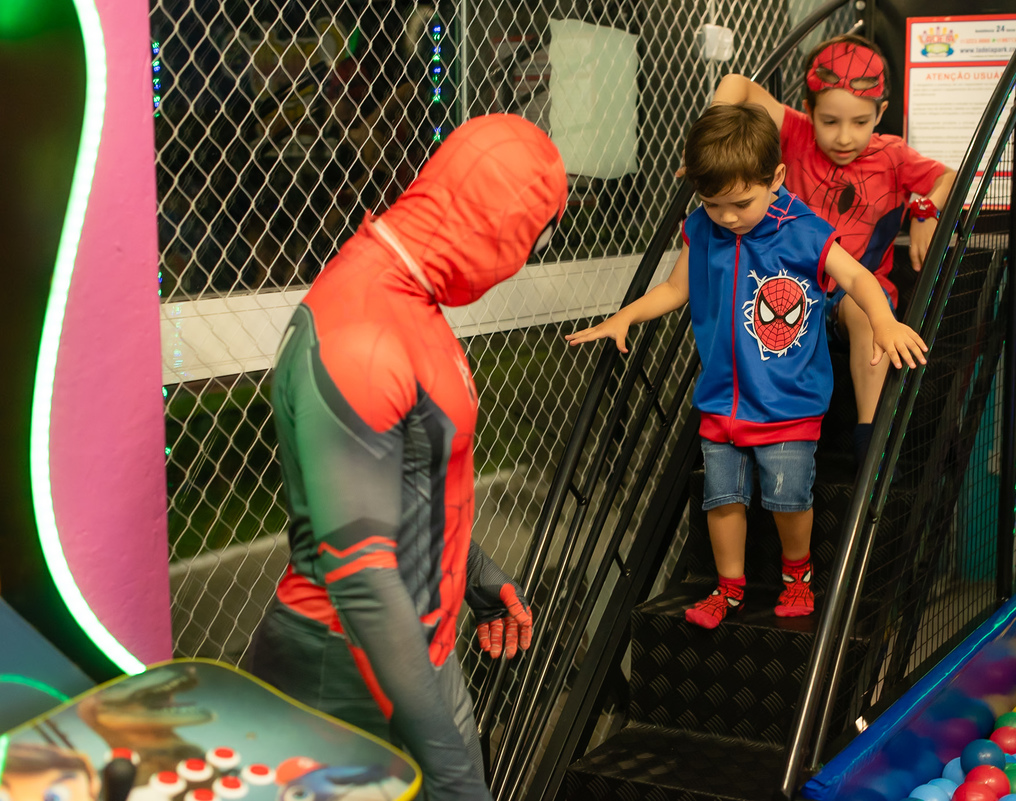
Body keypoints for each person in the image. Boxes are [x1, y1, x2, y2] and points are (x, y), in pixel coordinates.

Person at [246, 114, 568, 801]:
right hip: (346, 681)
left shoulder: (410, 297)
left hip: (419, 654)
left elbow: (416, 474)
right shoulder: (363, 332)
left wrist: (473, 571)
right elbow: (360, 574)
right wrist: (447, 768)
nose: (522, 263)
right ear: (499, 227)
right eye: (528, 240)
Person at [566, 103, 926, 626]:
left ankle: (797, 575)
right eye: (713, 204)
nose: (728, 216)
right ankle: (728, 587)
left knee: (787, 499)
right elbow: (675, 288)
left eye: (740, 203)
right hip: (721, 399)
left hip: (787, 402)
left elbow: (857, 278)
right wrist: (625, 316)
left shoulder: (803, 229)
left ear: (776, 178)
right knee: (723, 500)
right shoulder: (702, 226)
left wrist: (884, 321)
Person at [705, 35, 956, 464]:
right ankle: (751, 433)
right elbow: (736, 84)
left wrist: (925, 210)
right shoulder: (795, 134)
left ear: (881, 112)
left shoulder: (892, 155)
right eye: (830, 121)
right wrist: (713, 143)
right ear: (808, 110)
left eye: (860, 122)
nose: (845, 137)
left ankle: (870, 440)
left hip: (855, 290)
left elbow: (949, 176)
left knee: (866, 312)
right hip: (793, 287)